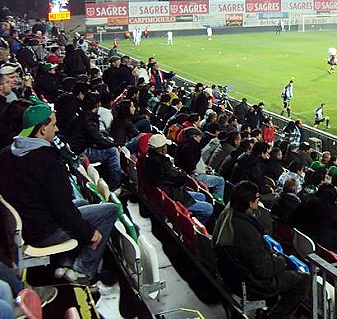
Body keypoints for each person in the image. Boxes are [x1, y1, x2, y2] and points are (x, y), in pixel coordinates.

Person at [0, 103, 118, 285]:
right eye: (53, 125)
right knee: (109, 210)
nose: (56, 129)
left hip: (26, 222)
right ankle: (82, 270)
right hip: (42, 231)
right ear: (42, 129)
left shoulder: (7, 153)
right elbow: (63, 212)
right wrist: (90, 235)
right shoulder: (48, 162)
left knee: (82, 204)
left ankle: (65, 263)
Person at [212, 181, 310, 319]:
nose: (259, 200)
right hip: (251, 283)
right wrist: (281, 262)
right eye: (257, 198)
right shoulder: (245, 229)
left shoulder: (227, 215)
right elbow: (262, 269)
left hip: (231, 277)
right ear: (250, 202)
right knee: (303, 280)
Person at [142, 133, 213, 223]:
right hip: (174, 195)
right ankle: (192, 224)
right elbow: (182, 177)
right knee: (209, 208)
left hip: (170, 190)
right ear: (162, 149)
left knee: (202, 196)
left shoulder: (148, 159)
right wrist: (179, 171)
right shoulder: (161, 164)